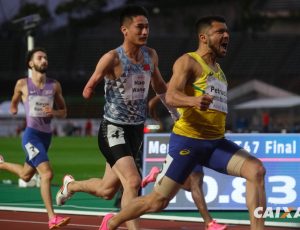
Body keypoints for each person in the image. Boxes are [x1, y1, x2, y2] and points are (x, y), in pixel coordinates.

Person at [99, 16, 266, 230]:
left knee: (256, 170)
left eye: (227, 32)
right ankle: (112, 221)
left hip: (214, 143)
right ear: (204, 37)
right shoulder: (188, 61)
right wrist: (193, 100)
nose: (226, 36)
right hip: (188, 143)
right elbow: (170, 96)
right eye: (220, 32)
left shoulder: (218, 71)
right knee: (158, 201)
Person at [55, 5, 176, 230]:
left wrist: (175, 113)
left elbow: (160, 87)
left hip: (135, 131)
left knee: (106, 190)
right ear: (124, 30)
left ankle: (70, 186)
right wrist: (90, 91)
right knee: (132, 182)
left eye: (147, 27)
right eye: (139, 27)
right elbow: (88, 87)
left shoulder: (150, 55)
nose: (144, 32)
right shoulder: (111, 58)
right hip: (113, 129)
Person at [0, 47, 70, 229]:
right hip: (31, 136)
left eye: (46, 57)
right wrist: (14, 107)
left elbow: (64, 112)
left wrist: (53, 111)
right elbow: (15, 99)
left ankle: (1, 164)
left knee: (26, 174)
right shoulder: (22, 84)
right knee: (46, 173)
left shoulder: (54, 85)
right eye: (40, 58)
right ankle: (52, 217)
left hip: (46, 137)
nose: (44, 60)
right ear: (31, 63)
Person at [143, 92, 227, 230]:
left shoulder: (208, 77)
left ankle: (158, 174)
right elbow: (165, 91)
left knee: (190, 186)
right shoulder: (184, 75)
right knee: (195, 184)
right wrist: (153, 106)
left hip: (204, 136)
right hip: (188, 138)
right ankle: (209, 223)